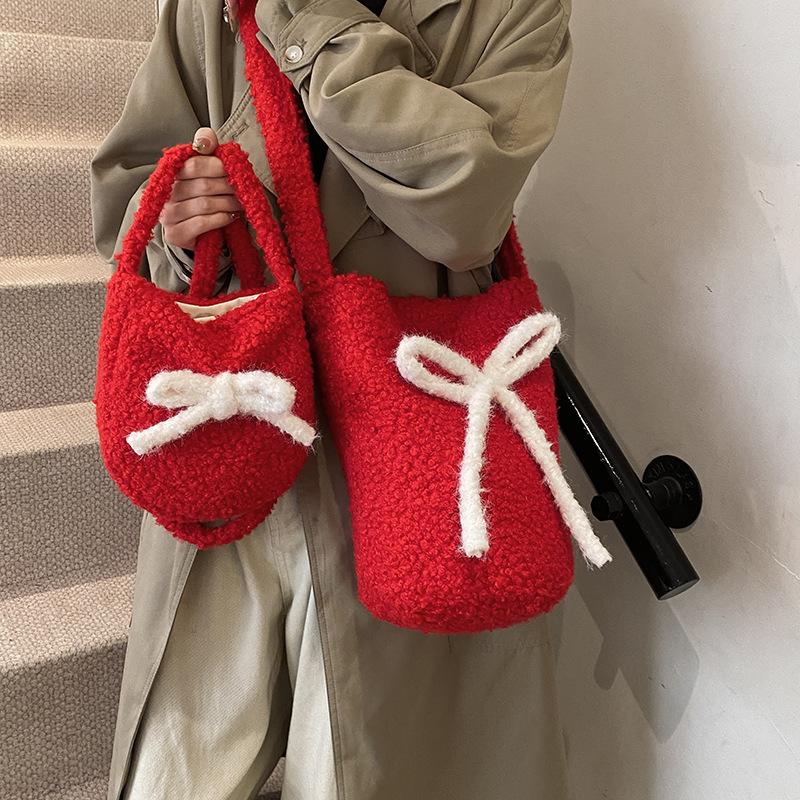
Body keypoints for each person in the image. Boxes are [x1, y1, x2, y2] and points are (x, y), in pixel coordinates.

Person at [90, 0, 575, 798]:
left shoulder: (515, 9)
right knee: (176, 769)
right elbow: (131, 185)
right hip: (235, 421)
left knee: (383, 766)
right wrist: (177, 226)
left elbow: (465, 209)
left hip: (414, 451)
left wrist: (313, 18)